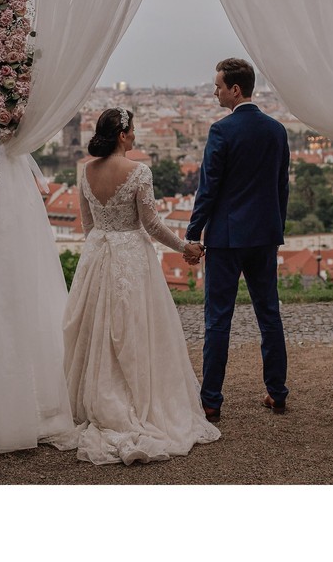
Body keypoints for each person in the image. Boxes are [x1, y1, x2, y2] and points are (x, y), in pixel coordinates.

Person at [48, 107, 219, 465]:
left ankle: (94, 398)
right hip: (130, 255)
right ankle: (139, 403)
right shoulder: (139, 171)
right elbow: (153, 225)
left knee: (95, 329)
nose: (136, 135)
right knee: (137, 328)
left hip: (98, 254)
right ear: (123, 135)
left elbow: (87, 225)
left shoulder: (85, 171)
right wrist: (185, 246)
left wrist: (101, 248)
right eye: (134, 130)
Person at [185, 58, 290, 423]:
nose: (214, 91)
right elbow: (282, 187)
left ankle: (211, 400)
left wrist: (192, 232)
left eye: (217, 86)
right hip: (264, 235)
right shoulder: (277, 130)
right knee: (269, 314)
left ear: (235, 89)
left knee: (218, 320)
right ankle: (277, 393)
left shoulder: (222, 131)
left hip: (228, 238)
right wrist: (277, 227)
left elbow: (208, 189)